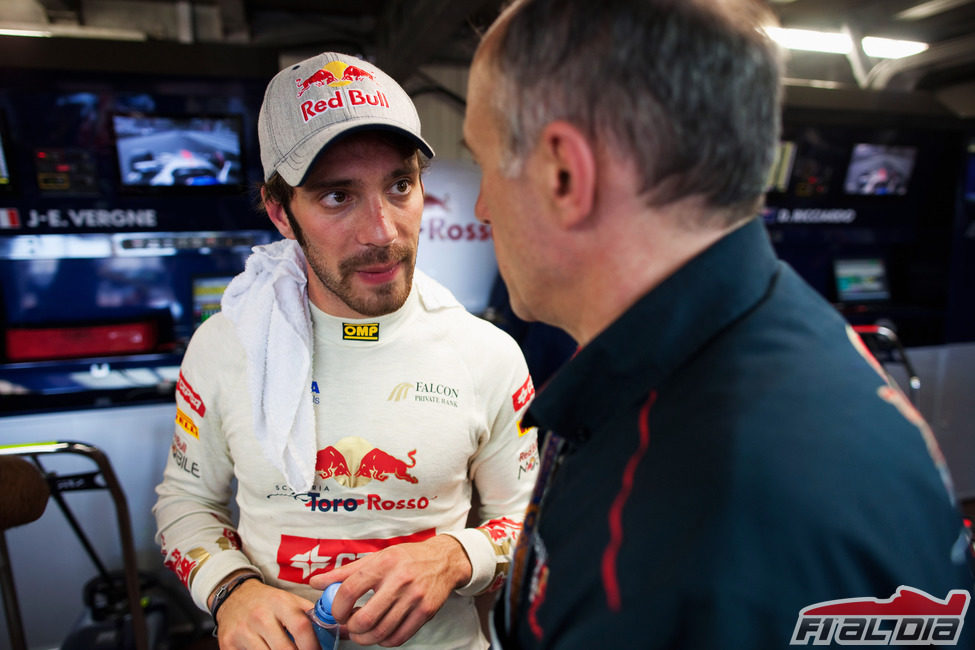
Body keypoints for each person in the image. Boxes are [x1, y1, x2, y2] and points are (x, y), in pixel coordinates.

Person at [462, 0, 975, 647]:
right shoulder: (780, 336)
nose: (480, 207)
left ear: (563, 173)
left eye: (482, 161)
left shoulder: (670, 542)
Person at [154, 51, 539, 650]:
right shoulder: (228, 344)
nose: (382, 232)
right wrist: (232, 590)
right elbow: (185, 500)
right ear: (281, 212)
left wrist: (455, 556)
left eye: (399, 185)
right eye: (338, 197)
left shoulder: (485, 353)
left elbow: (533, 523)